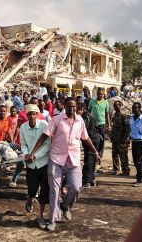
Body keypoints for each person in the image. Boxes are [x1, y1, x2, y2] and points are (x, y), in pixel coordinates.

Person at [29, 97, 101, 231]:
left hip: (73, 159)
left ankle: (65, 206)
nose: (72, 109)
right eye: (69, 106)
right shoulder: (56, 120)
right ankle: (52, 220)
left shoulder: (80, 121)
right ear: (64, 107)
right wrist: (33, 152)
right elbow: (44, 136)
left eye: (74, 107)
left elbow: (85, 137)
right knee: (54, 191)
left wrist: (96, 152)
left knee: (76, 187)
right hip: (56, 160)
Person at [20, 104, 51, 228]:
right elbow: (23, 144)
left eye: (34, 114)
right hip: (31, 165)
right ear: (26, 115)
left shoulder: (44, 125)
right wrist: (26, 154)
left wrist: (35, 156)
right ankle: (30, 198)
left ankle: (41, 216)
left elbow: (47, 145)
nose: (32, 116)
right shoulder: (23, 127)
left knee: (44, 191)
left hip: (43, 163)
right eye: (29, 114)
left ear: (37, 115)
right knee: (32, 189)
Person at [77, 103, 100, 187]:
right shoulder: (87, 116)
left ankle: (86, 181)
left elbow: (82, 129)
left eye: (79, 109)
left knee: (89, 160)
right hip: (93, 139)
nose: (77, 111)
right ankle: (91, 179)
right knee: (92, 160)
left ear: (83, 109)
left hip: (91, 140)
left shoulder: (85, 117)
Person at [130, 102, 142, 187]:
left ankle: (140, 180)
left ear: (139, 108)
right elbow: (130, 129)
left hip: (141, 142)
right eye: (133, 108)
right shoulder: (131, 118)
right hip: (134, 142)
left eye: (135, 108)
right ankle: (140, 178)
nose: (133, 109)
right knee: (135, 161)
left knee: (139, 161)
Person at [88, 88, 111, 157]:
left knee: (101, 139)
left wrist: (109, 125)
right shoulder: (92, 102)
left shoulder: (106, 103)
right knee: (93, 139)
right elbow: (88, 112)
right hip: (93, 124)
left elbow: (107, 114)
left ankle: (100, 154)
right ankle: (94, 153)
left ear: (103, 94)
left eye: (101, 94)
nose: (99, 95)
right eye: (98, 94)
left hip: (102, 124)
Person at [111, 101, 131, 176]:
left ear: (121, 105)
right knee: (114, 155)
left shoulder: (124, 116)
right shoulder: (115, 115)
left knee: (123, 156)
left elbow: (128, 128)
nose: (116, 107)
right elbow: (114, 127)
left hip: (122, 139)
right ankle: (116, 170)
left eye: (117, 105)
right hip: (115, 139)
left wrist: (125, 138)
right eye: (114, 106)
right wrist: (112, 136)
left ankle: (126, 171)